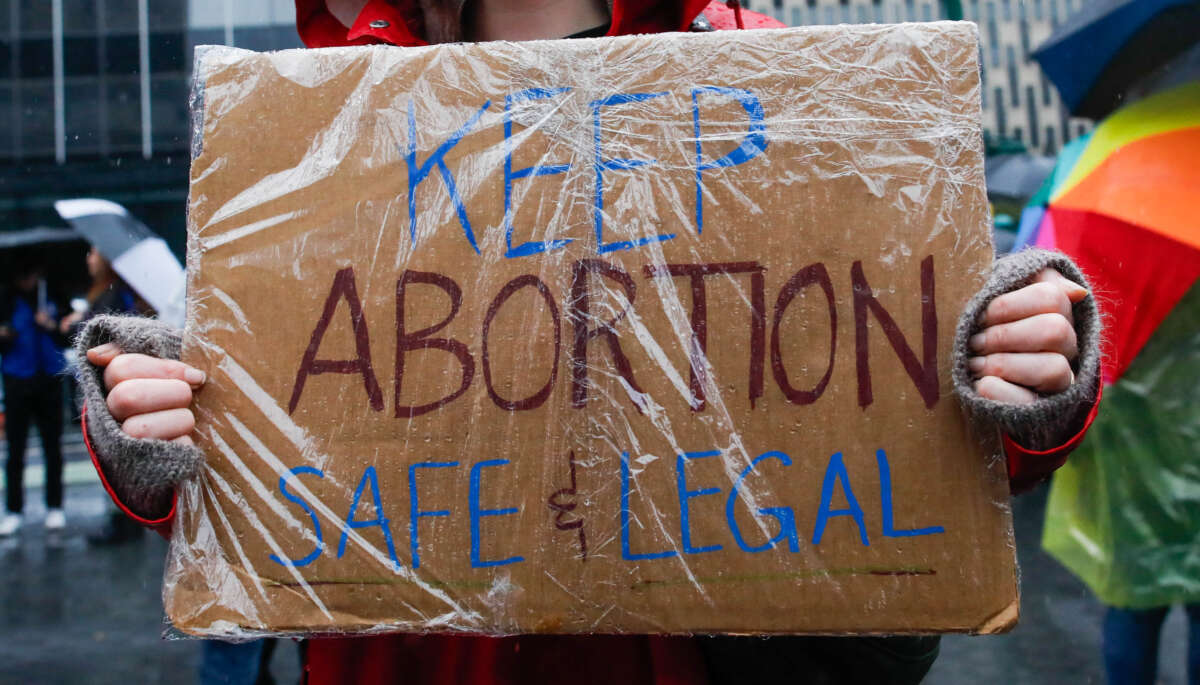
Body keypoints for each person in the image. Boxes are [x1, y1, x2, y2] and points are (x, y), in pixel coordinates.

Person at [72, 1, 1104, 683]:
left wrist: (1020, 367)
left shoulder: (769, 65)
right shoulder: (321, 111)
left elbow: (897, 450)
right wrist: (155, 430)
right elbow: (289, 480)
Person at [57, 247, 142, 544]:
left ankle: (123, 521)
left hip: (107, 387)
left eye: (93, 253)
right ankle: (123, 519)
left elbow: (104, 338)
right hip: (105, 386)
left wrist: (79, 324)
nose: (88, 258)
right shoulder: (106, 293)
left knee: (114, 456)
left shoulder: (113, 295)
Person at [0, 262, 68, 535]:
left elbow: (67, 336)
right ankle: (14, 509)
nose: (29, 279)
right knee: (16, 450)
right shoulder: (5, 299)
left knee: (53, 447)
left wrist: (50, 324)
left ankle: (55, 506)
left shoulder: (52, 296)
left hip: (49, 379)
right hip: (17, 380)